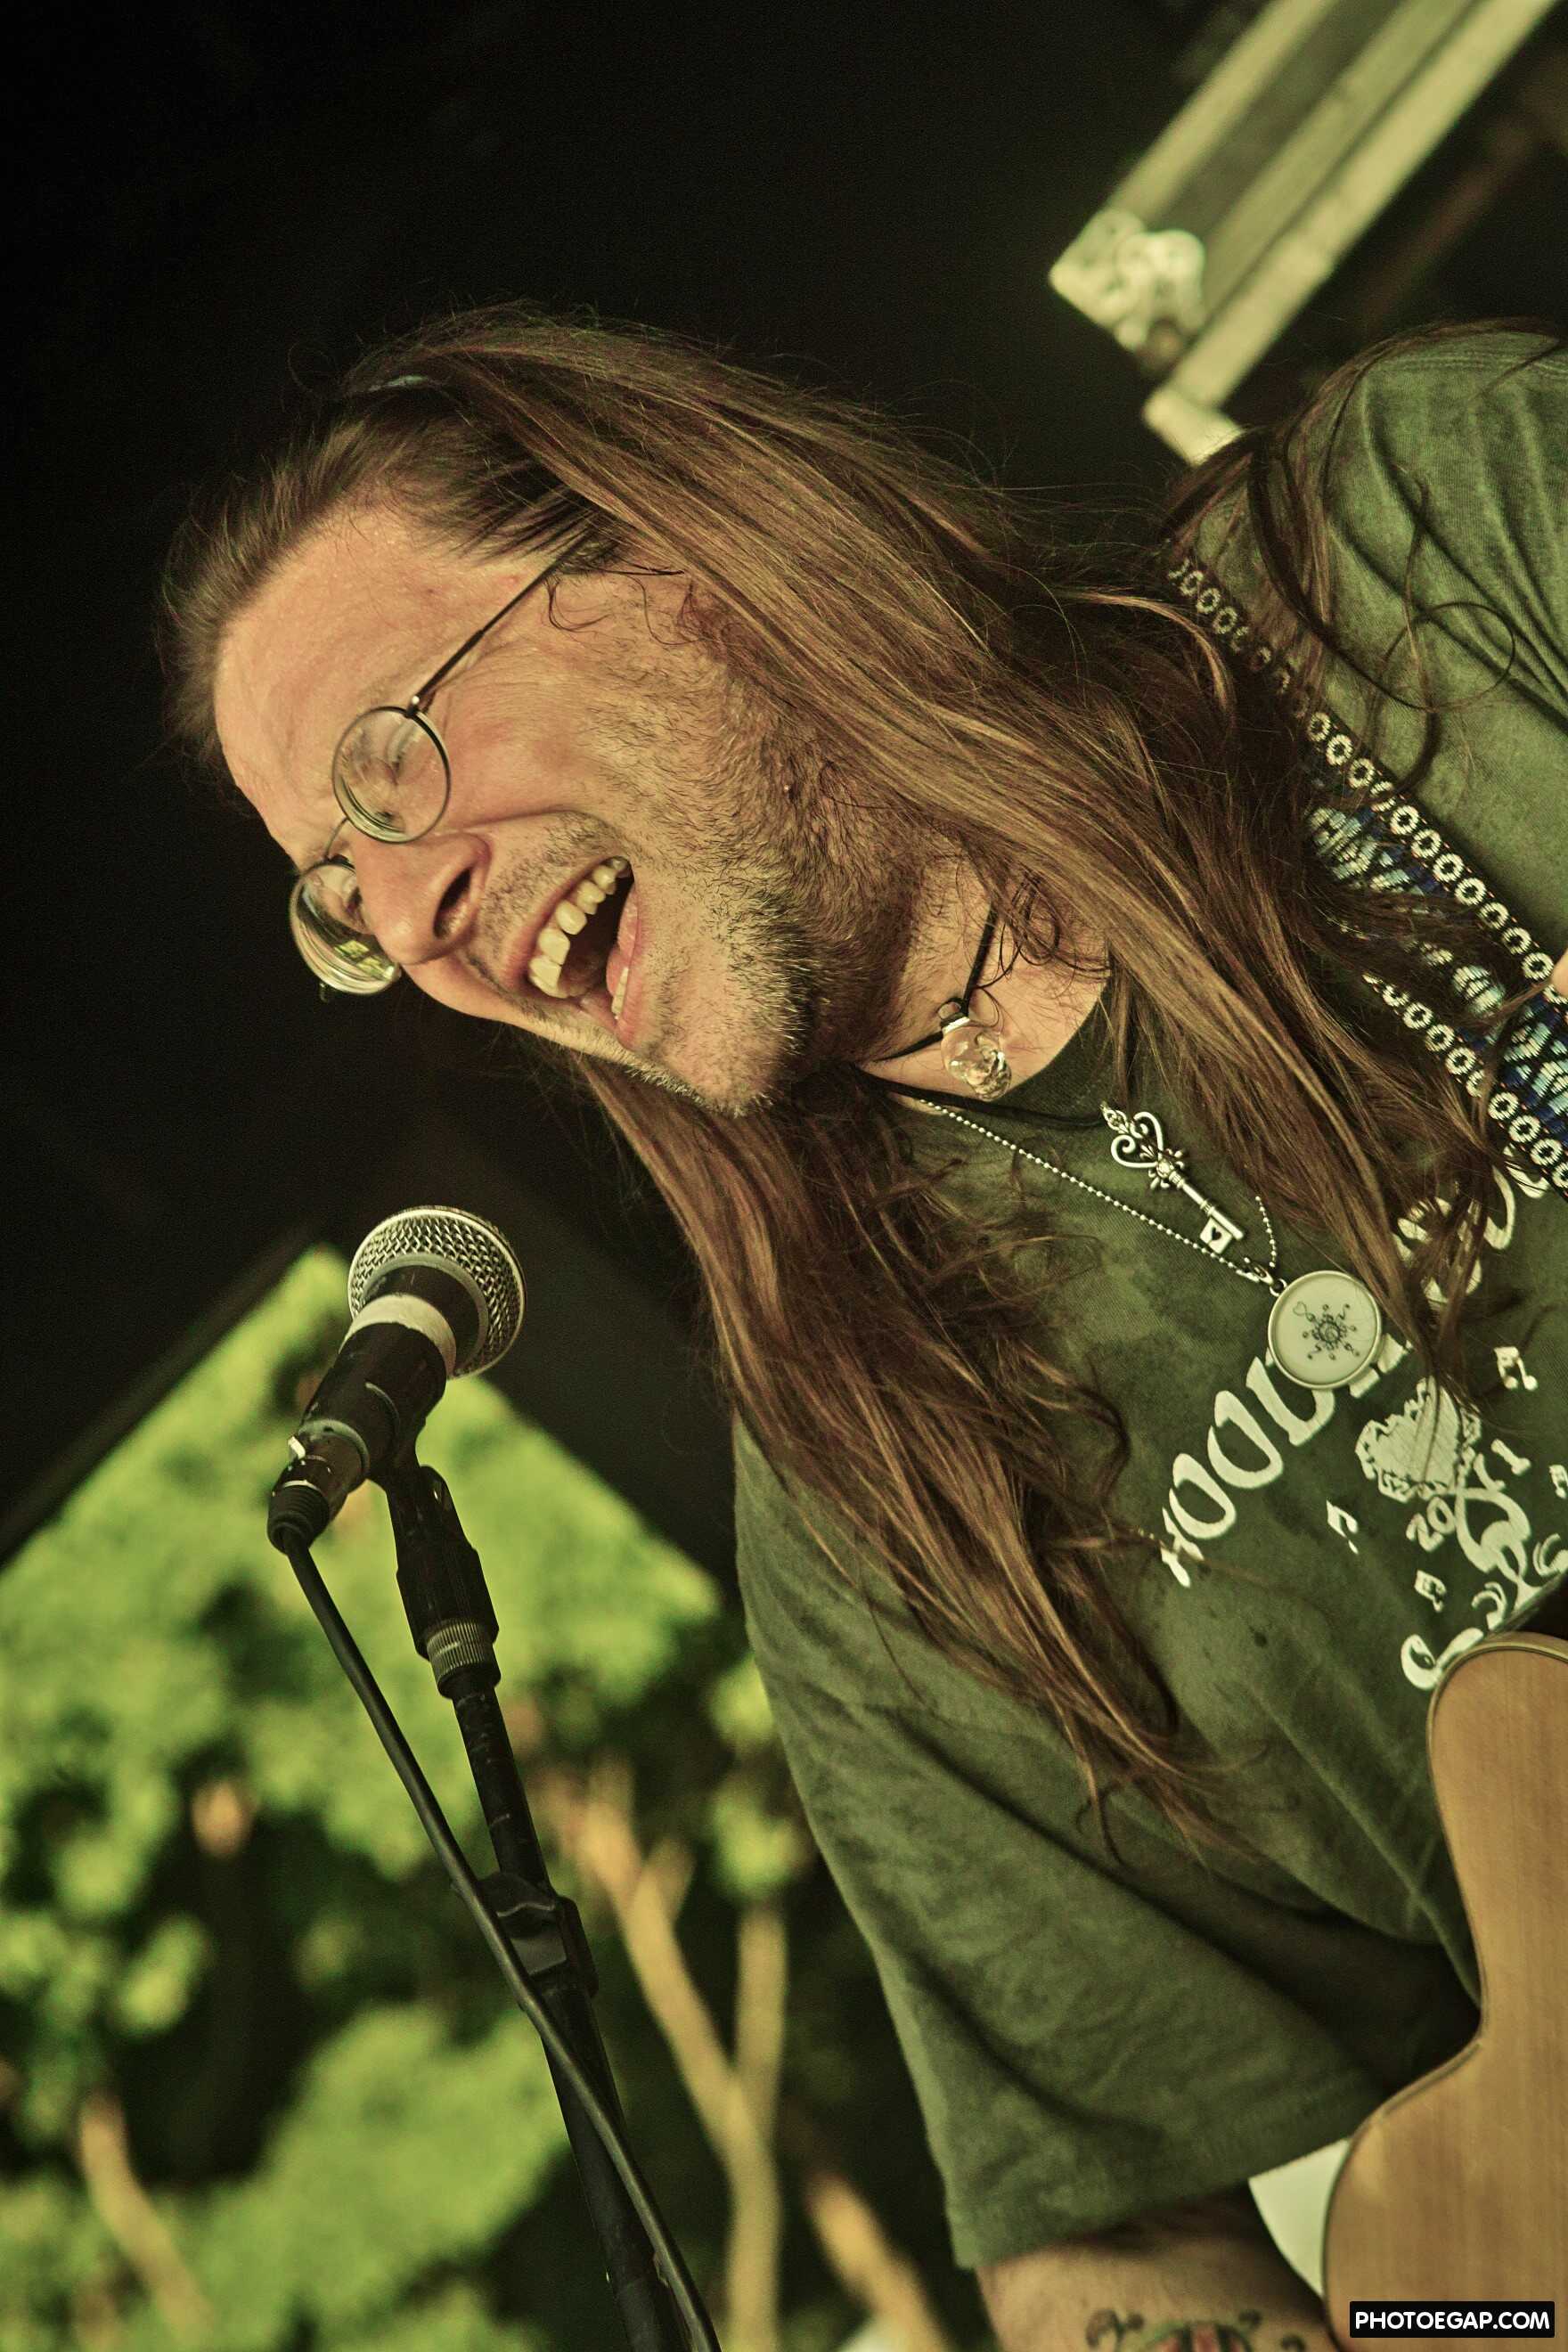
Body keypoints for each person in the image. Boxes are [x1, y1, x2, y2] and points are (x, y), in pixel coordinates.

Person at [159, 304, 1568, 2348]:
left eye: (396, 764)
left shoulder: (1425, 548)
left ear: (676, 561)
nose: (412, 921)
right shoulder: (865, 1493)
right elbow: (1110, 2242)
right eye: (340, 905)